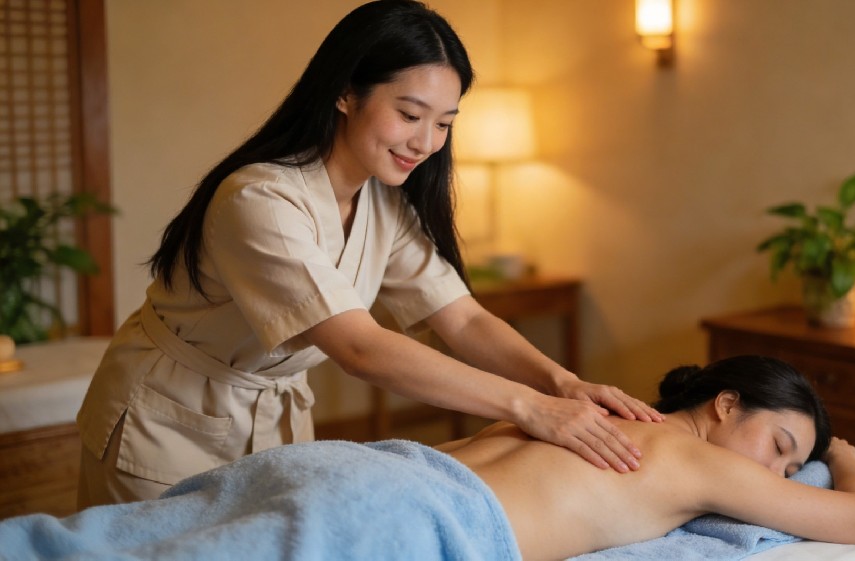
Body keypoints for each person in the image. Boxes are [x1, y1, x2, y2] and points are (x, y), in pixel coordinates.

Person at [75, 0, 661, 509]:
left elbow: (461, 316)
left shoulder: (384, 200)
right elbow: (359, 346)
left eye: (444, 124)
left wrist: (562, 384)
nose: (426, 143)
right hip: (168, 419)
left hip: (273, 416)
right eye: (409, 115)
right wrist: (529, 407)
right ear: (345, 93)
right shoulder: (258, 199)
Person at [440, 354, 855, 559]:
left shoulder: (580, 415)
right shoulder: (701, 462)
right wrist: (845, 461)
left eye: (790, 471)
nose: (775, 474)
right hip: (438, 525)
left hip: (396, 469)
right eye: (779, 447)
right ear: (725, 405)